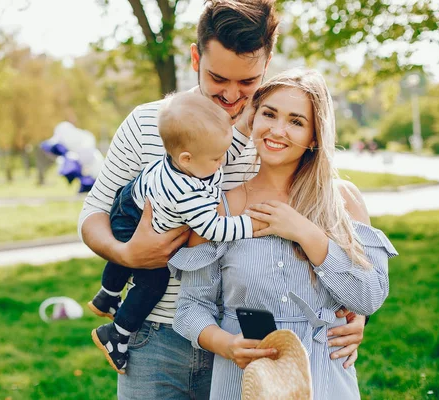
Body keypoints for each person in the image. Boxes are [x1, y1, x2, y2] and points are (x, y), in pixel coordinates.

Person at [78, 1, 366, 398]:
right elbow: (93, 213)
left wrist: (355, 310)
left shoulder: (273, 133)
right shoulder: (148, 122)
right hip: (152, 337)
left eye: (248, 82)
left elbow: (326, 222)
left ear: (266, 67)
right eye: (217, 78)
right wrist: (126, 255)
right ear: (196, 57)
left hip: (247, 338)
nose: (231, 96)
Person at [170, 69, 398, 399]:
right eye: (269, 114)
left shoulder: (342, 200)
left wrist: (306, 232)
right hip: (244, 380)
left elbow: (369, 297)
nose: (277, 130)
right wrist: (227, 344)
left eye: (296, 121)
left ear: (315, 136)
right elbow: (191, 306)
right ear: (253, 117)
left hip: (325, 377)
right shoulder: (221, 208)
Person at [89, 92, 264, 374]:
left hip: (130, 202)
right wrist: (251, 225)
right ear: (187, 158)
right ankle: (117, 333)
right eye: (217, 158)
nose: (223, 162)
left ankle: (107, 294)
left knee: (128, 245)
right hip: (133, 215)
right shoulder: (185, 192)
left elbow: (223, 151)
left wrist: (242, 126)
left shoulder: (192, 160)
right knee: (152, 281)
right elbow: (212, 227)